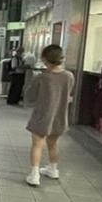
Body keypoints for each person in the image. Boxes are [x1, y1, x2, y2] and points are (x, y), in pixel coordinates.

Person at [24, 45, 75, 186]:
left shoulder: (42, 77)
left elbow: (30, 96)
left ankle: (34, 175)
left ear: (45, 59)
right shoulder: (69, 76)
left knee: (37, 145)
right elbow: (68, 93)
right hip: (59, 116)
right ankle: (53, 169)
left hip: (42, 116)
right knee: (53, 144)